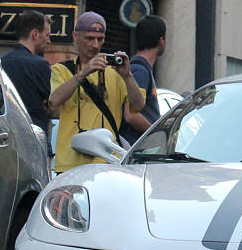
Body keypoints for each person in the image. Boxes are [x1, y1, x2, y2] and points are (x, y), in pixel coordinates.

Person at [48, 11, 145, 173]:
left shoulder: (115, 72)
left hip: (107, 161)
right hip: (70, 163)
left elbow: (139, 105)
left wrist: (127, 76)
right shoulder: (62, 70)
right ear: (76, 37)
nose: (95, 45)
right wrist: (83, 73)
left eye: (100, 39)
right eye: (89, 38)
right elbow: (54, 102)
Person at [1, 10, 52, 153]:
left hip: (7, 139)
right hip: (34, 139)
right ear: (35, 34)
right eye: (47, 35)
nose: (49, 40)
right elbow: (54, 102)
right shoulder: (40, 65)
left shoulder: (2, 62)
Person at [121, 14, 167, 145]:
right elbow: (131, 115)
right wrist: (157, 135)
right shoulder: (140, 71)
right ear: (161, 40)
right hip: (134, 148)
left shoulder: (138, 69)